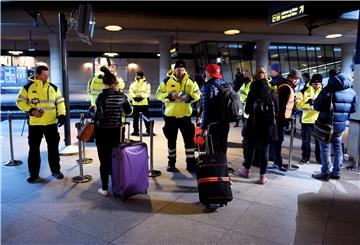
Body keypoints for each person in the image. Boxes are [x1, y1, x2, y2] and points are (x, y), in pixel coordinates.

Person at [16, 65, 66, 183]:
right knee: (34, 150)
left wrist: (62, 114)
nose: (46, 77)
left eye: (47, 75)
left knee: (53, 149)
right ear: (37, 75)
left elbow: (60, 102)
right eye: (44, 75)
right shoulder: (27, 87)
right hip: (35, 124)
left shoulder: (53, 87)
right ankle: (34, 174)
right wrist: (31, 111)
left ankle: (55, 171)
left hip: (51, 124)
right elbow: (19, 101)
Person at [93, 66, 132, 196]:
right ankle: (117, 186)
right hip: (116, 132)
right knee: (116, 159)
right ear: (115, 83)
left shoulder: (101, 97)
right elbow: (129, 111)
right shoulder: (121, 96)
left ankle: (104, 188)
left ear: (104, 83)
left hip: (103, 133)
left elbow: (99, 116)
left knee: (104, 161)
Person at [156, 60, 201, 172]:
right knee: (171, 141)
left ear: (185, 70)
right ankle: (171, 164)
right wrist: (170, 96)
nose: (180, 71)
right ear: (174, 69)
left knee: (189, 142)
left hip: (185, 117)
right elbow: (158, 94)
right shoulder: (166, 80)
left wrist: (190, 98)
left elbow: (198, 94)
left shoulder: (191, 81)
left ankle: (190, 164)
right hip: (170, 117)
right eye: (178, 69)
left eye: (182, 69)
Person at [312, 70, 357, 181]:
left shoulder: (328, 90)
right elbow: (354, 109)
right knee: (338, 149)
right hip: (340, 126)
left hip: (326, 125)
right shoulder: (351, 92)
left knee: (325, 149)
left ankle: (325, 173)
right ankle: (336, 173)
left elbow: (316, 106)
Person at [238, 67, 279, 184]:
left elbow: (247, 110)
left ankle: (246, 170)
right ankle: (262, 176)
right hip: (267, 127)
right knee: (265, 150)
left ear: (256, 76)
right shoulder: (272, 92)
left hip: (253, 125)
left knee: (250, 148)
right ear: (266, 76)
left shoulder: (252, 90)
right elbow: (277, 109)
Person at [273, 69, 301, 172]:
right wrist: (283, 120)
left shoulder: (285, 85)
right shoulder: (285, 87)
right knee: (278, 141)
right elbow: (282, 105)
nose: (296, 81)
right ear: (291, 77)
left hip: (281, 117)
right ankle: (278, 162)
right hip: (280, 118)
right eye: (296, 79)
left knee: (278, 141)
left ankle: (276, 161)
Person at [200, 64, 230, 158]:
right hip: (225, 122)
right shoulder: (225, 84)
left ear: (208, 73)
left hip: (213, 123)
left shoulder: (208, 86)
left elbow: (206, 108)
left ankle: (214, 170)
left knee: (212, 148)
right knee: (223, 146)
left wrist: (203, 126)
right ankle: (222, 169)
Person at [295, 74, 323, 164]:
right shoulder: (303, 91)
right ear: (311, 83)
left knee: (319, 142)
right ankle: (305, 157)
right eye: (315, 84)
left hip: (319, 120)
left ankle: (319, 158)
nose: (316, 85)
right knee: (305, 141)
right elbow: (298, 104)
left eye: (318, 84)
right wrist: (308, 105)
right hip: (307, 120)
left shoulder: (324, 91)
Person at [129, 71, 154, 136]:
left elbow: (148, 93)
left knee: (146, 118)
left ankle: (149, 130)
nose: (137, 76)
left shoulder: (147, 83)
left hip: (144, 103)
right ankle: (135, 131)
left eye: (138, 75)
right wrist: (134, 97)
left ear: (141, 76)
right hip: (135, 103)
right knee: (135, 118)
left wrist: (141, 97)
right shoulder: (133, 83)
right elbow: (130, 91)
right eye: (136, 75)